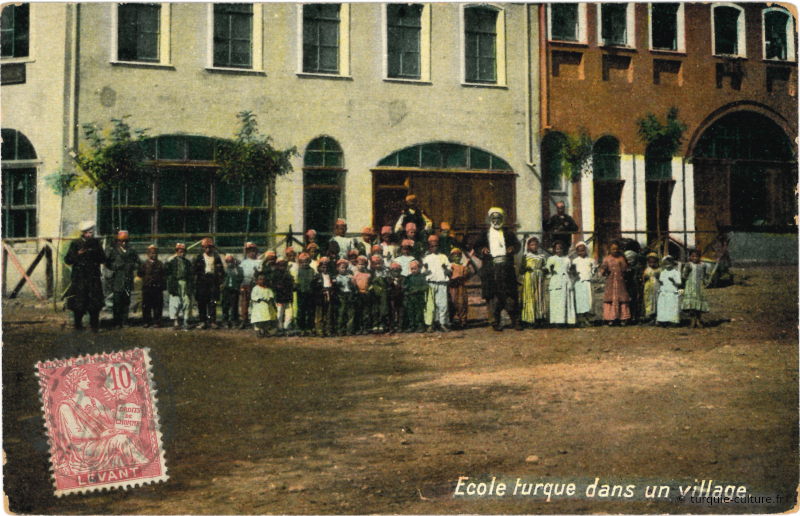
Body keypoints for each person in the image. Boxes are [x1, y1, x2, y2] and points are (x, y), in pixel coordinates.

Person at [53, 368, 150, 476]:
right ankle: (145, 465)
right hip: (85, 449)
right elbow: (75, 435)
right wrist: (100, 435)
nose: (89, 381)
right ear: (75, 383)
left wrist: (124, 405)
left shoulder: (93, 400)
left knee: (127, 436)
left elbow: (111, 417)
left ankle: (141, 464)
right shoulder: (66, 407)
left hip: (102, 441)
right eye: (84, 379)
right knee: (120, 439)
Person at [473, 207, 522, 331]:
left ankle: (515, 321)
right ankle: (495, 322)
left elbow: (517, 245)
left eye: (499, 218)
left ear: (502, 219)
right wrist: (482, 250)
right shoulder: (485, 234)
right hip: (491, 268)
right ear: (490, 219)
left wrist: (512, 248)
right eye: (493, 218)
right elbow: (477, 247)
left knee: (510, 295)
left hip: (506, 268)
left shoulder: (508, 233)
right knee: (493, 296)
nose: (496, 221)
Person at [64, 221, 106, 332]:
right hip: (80, 278)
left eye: (92, 232)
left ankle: (94, 326)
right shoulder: (75, 243)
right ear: (83, 233)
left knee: (95, 303)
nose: (90, 235)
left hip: (93, 278)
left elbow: (103, 259)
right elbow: (68, 260)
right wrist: (78, 254)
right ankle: (78, 325)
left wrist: (96, 253)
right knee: (79, 302)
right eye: (88, 233)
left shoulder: (96, 243)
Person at [105, 230, 141, 329]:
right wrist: (115, 266)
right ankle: (117, 322)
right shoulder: (113, 251)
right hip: (117, 279)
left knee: (126, 301)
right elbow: (107, 263)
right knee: (117, 302)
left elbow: (138, 262)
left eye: (126, 241)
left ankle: (125, 321)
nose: (124, 243)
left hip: (128, 279)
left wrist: (132, 266)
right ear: (118, 241)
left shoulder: (132, 251)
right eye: (121, 241)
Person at [422, 234, 452, 332]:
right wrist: (425, 272)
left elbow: (449, 271)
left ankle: (442, 323)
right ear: (429, 247)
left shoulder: (443, 257)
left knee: (443, 304)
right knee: (430, 305)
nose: (434, 247)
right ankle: (430, 324)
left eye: (436, 245)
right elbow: (423, 271)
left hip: (442, 282)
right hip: (430, 283)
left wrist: (445, 269)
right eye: (432, 246)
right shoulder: (426, 257)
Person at [192, 237, 224, 329]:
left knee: (212, 302)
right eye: (205, 247)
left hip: (213, 281)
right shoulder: (199, 258)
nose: (208, 249)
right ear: (203, 248)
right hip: (202, 281)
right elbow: (194, 271)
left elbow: (221, 271)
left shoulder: (216, 257)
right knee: (202, 302)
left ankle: (212, 321)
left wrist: (220, 282)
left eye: (209, 247)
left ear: (212, 248)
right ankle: (202, 321)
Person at [599, 241, 631, 326]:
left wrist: (624, 273)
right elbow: (602, 270)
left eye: (617, 249)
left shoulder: (621, 258)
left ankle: (622, 318)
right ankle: (610, 319)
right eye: (613, 249)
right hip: (610, 282)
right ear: (610, 249)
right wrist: (604, 270)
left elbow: (625, 269)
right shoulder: (606, 259)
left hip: (620, 282)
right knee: (610, 299)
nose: (615, 250)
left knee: (622, 299)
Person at [520, 236, 548, 328]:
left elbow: (545, 268)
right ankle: (529, 319)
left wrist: (543, 270)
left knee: (539, 297)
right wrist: (526, 268)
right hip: (529, 278)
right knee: (530, 297)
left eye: (536, 244)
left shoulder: (541, 256)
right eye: (532, 245)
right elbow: (521, 270)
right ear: (528, 246)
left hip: (539, 279)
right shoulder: (526, 256)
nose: (534, 246)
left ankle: (539, 318)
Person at [546, 241, 576, 326]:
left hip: (565, 281)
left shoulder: (567, 259)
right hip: (556, 281)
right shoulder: (551, 259)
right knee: (556, 301)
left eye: (561, 248)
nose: (559, 250)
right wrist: (550, 270)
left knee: (566, 300)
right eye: (557, 249)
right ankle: (557, 321)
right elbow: (548, 271)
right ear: (554, 249)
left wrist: (572, 270)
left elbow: (570, 270)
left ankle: (567, 320)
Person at [165, 243, 193, 330]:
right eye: (180, 251)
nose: (182, 253)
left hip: (185, 283)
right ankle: (176, 321)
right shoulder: (172, 262)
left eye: (183, 251)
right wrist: (167, 261)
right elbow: (166, 271)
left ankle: (185, 321)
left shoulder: (188, 263)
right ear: (176, 252)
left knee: (187, 302)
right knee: (175, 302)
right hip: (175, 283)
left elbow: (191, 275)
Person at [681, 249, 711, 328]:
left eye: (697, 256)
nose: (695, 258)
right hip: (690, 287)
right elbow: (684, 275)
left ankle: (698, 321)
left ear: (699, 257)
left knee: (698, 305)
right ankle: (692, 321)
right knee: (691, 306)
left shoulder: (703, 265)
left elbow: (705, 275)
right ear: (690, 257)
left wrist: (706, 282)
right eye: (693, 256)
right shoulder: (689, 265)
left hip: (699, 287)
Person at [137, 245, 166, 328]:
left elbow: (164, 275)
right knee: (146, 306)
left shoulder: (160, 264)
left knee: (158, 306)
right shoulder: (144, 264)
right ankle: (146, 322)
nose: (154, 255)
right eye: (152, 253)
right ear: (148, 254)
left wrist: (162, 285)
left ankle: (157, 322)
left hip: (157, 288)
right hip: (147, 288)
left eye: (156, 253)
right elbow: (140, 274)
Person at [448, 248, 474, 330]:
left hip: (461, 287)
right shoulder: (450, 266)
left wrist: (467, 268)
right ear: (452, 257)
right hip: (452, 287)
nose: (456, 257)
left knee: (462, 303)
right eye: (454, 256)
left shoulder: (463, 266)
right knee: (452, 303)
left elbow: (467, 275)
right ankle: (451, 321)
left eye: (458, 255)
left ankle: (463, 321)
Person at [571, 241, 596, 327]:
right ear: (577, 251)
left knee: (589, 301)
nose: (581, 252)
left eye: (583, 250)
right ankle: (581, 319)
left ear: (586, 250)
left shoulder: (591, 260)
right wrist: (575, 275)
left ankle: (588, 318)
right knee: (580, 301)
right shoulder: (575, 261)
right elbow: (573, 271)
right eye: (579, 251)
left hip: (588, 282)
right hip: (579, 283)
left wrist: (592, 274)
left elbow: (593, 270)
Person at [295, 252, 319, 336]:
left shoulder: (312, 270)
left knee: (310, 311)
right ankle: (302, 328)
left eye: (306, 261)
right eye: (302, 262)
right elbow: (296, 282)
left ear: (309, 262)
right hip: (301, 293)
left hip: (310, 294)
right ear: (300, 262)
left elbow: (314, 281)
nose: (304, 263)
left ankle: (310, 328)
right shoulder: (298, 270)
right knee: (301, 312)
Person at [239, 242, 262, 328]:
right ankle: (244, 320)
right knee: (245, 302)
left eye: (253, 251)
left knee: (256, 302)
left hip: (256, 285)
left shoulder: (259, 261)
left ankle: (256, 320)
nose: (252, 253)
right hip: (246, 284)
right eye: (249, 251)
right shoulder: (244, 262)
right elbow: (240, 273)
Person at [271, 258, 295, 335]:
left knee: (289, 313)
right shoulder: (275, 274)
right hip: (279, 297)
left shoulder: (288, 274)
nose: (282, 267)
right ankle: (279, 328)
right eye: (280, 265)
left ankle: (287, 327)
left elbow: (291, 285)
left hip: (288, 297)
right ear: (277, 265)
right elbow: (274, 286)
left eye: (284, 265)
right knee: (279, 313)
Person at [403, 260, 427, 333]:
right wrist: (406, 290)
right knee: (410, 312)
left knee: (419, 313)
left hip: (419, 298)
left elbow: (425, 286)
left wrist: (418, 289)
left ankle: (420, 326)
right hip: (410, 298)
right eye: (412, 269)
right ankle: (412, 326)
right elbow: (404, 286)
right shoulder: (408, 277)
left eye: (415, 268)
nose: (413, 270)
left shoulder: (422, 277)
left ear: (419, 268)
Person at [656, 256, 681, 326]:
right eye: (666, 264)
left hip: (672, 292)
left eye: (669, 263)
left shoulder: (676, 272)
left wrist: (673, 281)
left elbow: (679, 283)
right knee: (663, 306)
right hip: (664, 291)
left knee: (672, 306)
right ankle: (663, 321)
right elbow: (662, 282)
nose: (668, 265)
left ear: (673, 264)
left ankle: (673, 321)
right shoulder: (663, 272)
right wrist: (658, 280)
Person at [315, 257, 336, 337]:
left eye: (326, 267)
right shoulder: (317, 276)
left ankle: (328, 330)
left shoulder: (330, 276)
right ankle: (319, 330)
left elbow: (334, 285)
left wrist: (332, 290)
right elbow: (315, 287)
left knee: (328, 313)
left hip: (329, 294)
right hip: (320, 296)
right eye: (323, 267)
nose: (325, 269)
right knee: (320, 313)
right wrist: (321, 291)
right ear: (319, 267)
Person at [250, 273, 276, 337]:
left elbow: (271, 296)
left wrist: (270, 300)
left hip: (267, 307)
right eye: (260, 279)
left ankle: (265, 331)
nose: (262, 281)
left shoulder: (268, 289)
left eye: (263, 279)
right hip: (258, 307)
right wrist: (259, 299)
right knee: (258, 320)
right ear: (257, 281)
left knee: (266, 320)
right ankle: (258, 331)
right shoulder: (255, 288)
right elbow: (253, 296)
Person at [221, 254, 244, 329]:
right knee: (225, 305)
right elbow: (221, 277)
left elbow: (240, 277)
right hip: (226, 289)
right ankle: (225, 321)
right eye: (228, 261)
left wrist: (236, 265)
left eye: (231, 260)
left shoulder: (237, 269)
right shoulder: (224, 268)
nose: (229, 262)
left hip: (234, 289)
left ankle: (234, 321)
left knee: (234, 306)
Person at [334, 258, 356, 336]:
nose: (344, 269)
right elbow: (336, 287)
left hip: (349, 294)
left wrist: (352, 282)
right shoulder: (336, 277)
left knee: (350, 312)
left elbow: (354, 286)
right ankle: (340, 330)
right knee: (341, 312)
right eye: (342, 267)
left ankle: (349, 330)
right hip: (341, 295)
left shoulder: (350, 276)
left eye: (345, 268)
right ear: (338, 268)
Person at [352, 255, 373, 334]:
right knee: (358, 311)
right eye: (359, 264)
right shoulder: (355, 274)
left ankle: (365, 327)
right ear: (356, 264)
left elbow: (370, 284)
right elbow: (353, 284)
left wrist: (369, 289)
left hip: (366, 294)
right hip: (358, 294)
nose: (361, 266)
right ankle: (358, 328)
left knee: (366, 311)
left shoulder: (368, 274)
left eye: (363, 264)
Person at [369, 255, 389, 333]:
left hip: (383, 292)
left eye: (379, 263)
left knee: (383, 308)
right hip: (374, 292)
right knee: (375, 308)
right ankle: (375, 324)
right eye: (375, 264)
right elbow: (369, 282)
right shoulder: (371, 272)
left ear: (382, 263)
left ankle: (382, 324)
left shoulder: (385, 271)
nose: (377, 265)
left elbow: (387, 282)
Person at [641, 252, 661, 324]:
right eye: (650, 262)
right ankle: (651, 318)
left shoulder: (659, 270)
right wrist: (644, 278)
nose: (652, 264)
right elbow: (643, 278)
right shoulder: (647, 269)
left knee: (657, 302)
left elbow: (662, 279)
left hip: (657, 287)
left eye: (654, 262)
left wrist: (658, 276)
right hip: (649, 288)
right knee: (649, 302)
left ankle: (657, 318)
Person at [624, 249, 643, 323]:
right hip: (628, 286)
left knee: (636, 301)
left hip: (636, 286)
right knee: (629, 301)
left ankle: (636, 317)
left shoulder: (638, 267)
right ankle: (629, 317)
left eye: (632, 259)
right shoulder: (625, 267)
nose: (630, 261)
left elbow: (640, 276)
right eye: (628, 259)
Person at [386, 262, 404, 334]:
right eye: (393, 270)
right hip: (391, 298)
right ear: (390, 271)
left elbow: (404, 287)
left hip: (401, 298)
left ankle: (400, 327)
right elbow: (387, 288)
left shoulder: (403, 278)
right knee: (392, 313)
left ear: (400, 271)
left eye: (397, 270)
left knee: (401, 313)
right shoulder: (388, 279)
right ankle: (391, 327)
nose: (395, 272)